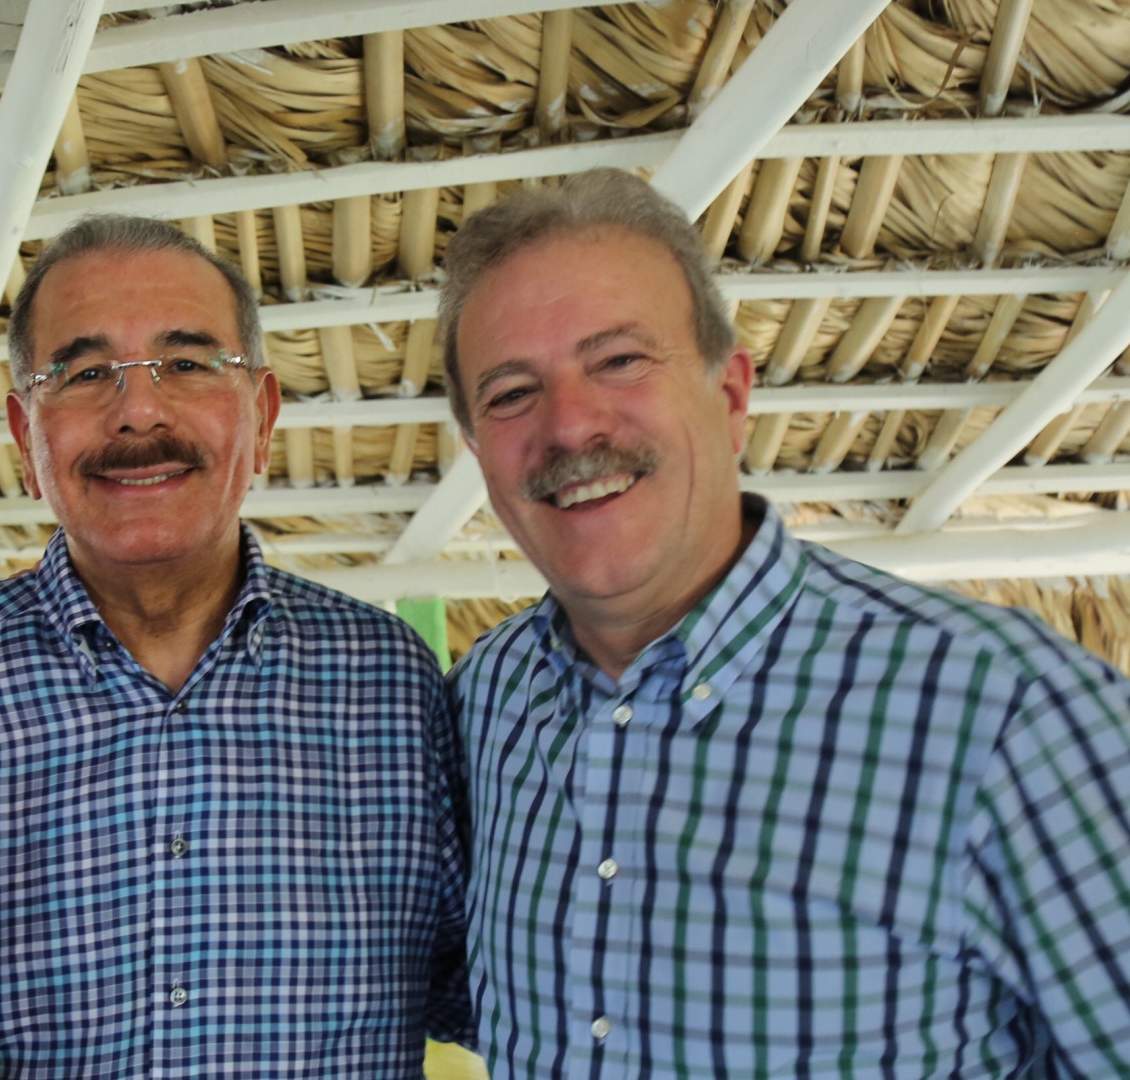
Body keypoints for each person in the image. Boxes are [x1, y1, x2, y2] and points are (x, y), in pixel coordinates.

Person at [441, 167, 1130, 1077]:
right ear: (478, 452)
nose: (570, 425)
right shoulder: (482, 703)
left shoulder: (1010, 715)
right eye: (510, 394)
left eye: (620, 360)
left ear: (730, 396)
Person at [0, 214, 470, 1078]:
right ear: (24, 435)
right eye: (85, 373)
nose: (139, 412)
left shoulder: (391, 684)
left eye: (188, 365)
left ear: (262, 415)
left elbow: (499, 988)